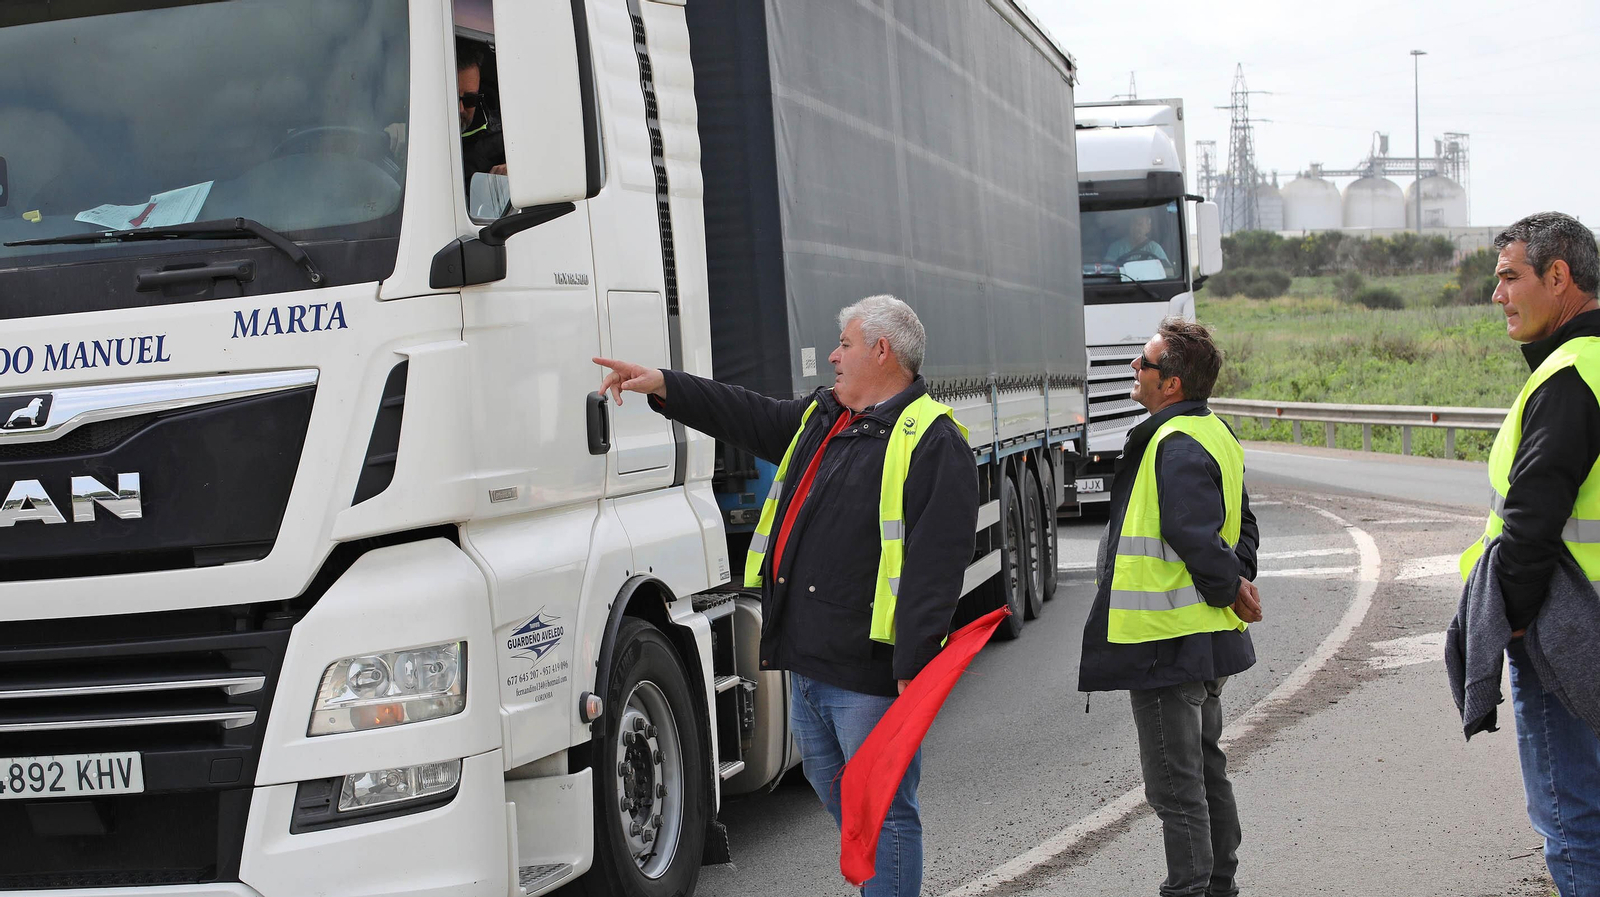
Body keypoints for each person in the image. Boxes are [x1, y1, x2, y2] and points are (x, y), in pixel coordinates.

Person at [595, 294, 978, 897]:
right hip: (807, 659)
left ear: (881, 351)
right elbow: (746, 414)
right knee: (839, 796)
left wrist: (915, 662)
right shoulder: (826, 417)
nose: (833, 356)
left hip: (869, 670)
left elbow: (937, 563)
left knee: (882, 813)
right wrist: (664, 384)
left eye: (845, 344)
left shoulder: (931, 439)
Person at [1077, 317, 1262, 897]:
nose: (1134, 368)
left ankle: (1191, 889)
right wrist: (1239, 579)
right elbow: (1243, 524)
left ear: (1172, 383)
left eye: (1144, 362)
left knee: (1174, 786)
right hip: (1201, 641)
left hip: (1166, 645)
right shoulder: (1215, 434)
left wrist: (1231, 583)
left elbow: (1193, 532)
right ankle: (1220, 884)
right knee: (1205, 772)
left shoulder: (1173, 442)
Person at [1458, 211, 1600, 897]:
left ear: (1558, 276)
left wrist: (1508, 616)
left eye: (1510, 277)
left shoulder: (1571, 376)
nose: (1498, 295)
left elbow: (1531, 521)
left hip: (1568, 641)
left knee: (1572, 823)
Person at [456, 39, 506, 183]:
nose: (460, 109)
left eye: (470, 100)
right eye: (451, 98)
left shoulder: (503, 140)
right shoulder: (401, 128)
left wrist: (513, 175)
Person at [1104, 208, 1170, 265]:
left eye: (1140, 224)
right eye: (1133, 223)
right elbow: (1107, 270)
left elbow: (1169, 271)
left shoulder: (1155, 248)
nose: (1136, 227)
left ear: (1148, 228)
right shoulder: (1116, 247)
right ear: (1129, 226)